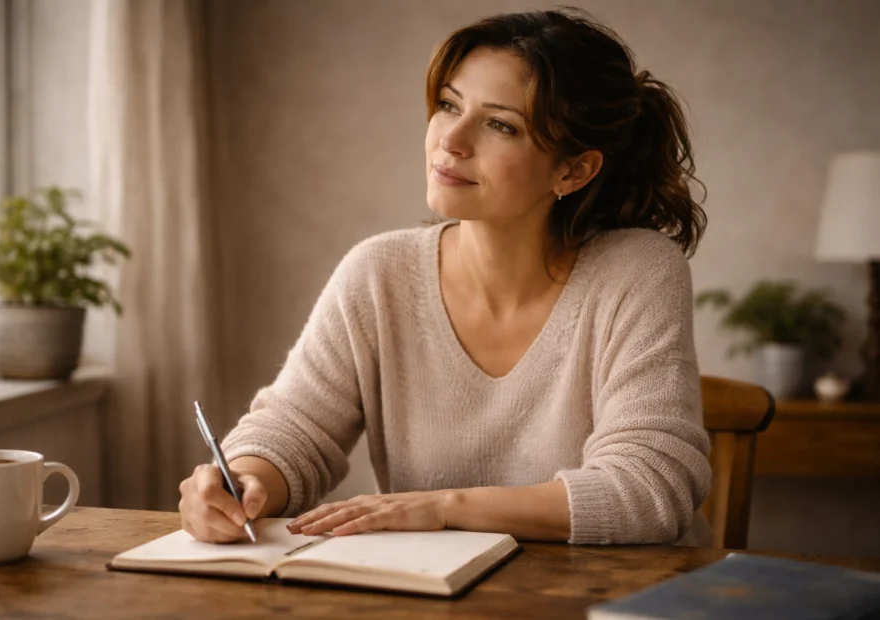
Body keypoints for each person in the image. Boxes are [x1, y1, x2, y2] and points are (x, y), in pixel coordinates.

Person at [179, 7, 713, 546]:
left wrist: (443, 507)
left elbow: (649, 490)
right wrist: (245, 481)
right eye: (448, 105)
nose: (450, 140)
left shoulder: (637, 271)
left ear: (573, 170)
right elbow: (293, 429)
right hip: (441, 595)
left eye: (501, 124)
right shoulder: (378, 273)